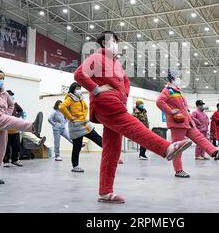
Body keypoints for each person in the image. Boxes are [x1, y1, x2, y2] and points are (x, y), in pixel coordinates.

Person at [74, 31, 193, 204]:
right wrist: (97, 89)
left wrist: (123, 95)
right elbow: (79, 74)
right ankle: (166, 148)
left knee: (112, 150)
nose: (113, 44)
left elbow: (125, 83)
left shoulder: (116, 64)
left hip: (116, 102)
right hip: (106, 103)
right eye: (110, 41)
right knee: (132, 126)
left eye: (115, 41)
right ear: (102, 44)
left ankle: (105, 192)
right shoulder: (96, 58)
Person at [157, 69, 219, 178]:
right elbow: (159, 102)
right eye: (178, 77)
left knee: (201, 138)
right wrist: (170, 111)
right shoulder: (168, 90)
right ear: (172, 78)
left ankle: (215, 153)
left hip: (187, 122)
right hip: (177, 123)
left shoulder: (177, 91)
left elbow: (183, 107)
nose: (179, 79)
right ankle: (178, 171)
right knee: (178, 148)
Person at [58, 82, 103, 172]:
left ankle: (113, 155)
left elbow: (86, 107)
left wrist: (83, 116)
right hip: (76, 126)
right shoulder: (70, 98)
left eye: (79, 88)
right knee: (77, 147)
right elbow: (62, 107)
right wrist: (71, 117)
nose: (79, 90)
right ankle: (75, 166)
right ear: (72, 89)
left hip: (84, 124)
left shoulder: (80, 98)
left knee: (99, 139)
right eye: (77, 88)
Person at [3, 90, 23, 167]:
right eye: (9, 95)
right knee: (6, 147)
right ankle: (6, 161)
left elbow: (21, 111)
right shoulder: (3, 105)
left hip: (15, 129)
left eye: (11, 95)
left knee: (17, 146)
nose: (11, 97)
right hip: (6, 130)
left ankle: (15, 160)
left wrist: (17, 116)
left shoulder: (15, 104)